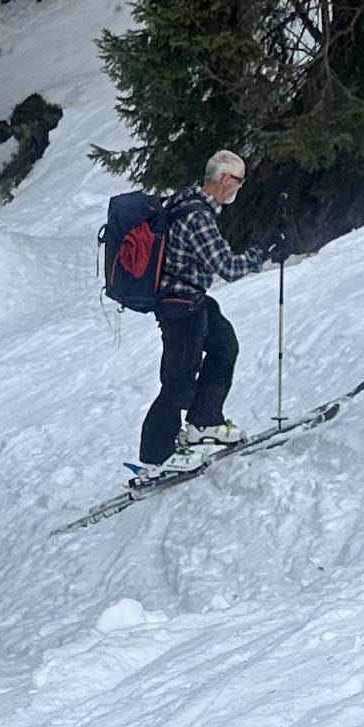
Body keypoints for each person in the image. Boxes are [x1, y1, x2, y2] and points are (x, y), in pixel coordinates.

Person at [134, 151, 267, 481]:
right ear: (224, 179)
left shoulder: (190, 202)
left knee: (224, 345)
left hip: (192, 299)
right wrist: (261, 253)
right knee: (178, 381)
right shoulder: (197, 216)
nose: (239, 188)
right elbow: (227, 267)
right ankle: (156, 457)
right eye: (239, 181)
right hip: (178, 305)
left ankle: (204, 422)